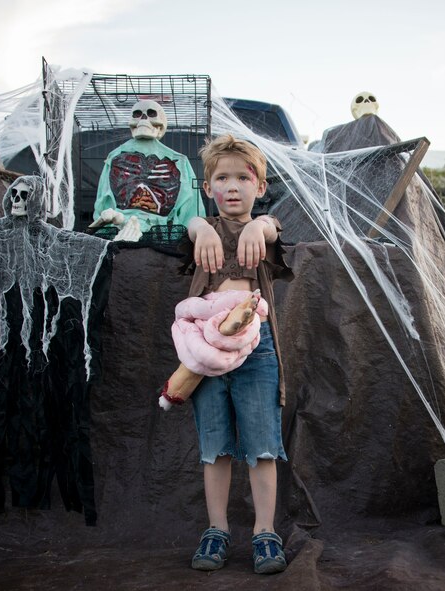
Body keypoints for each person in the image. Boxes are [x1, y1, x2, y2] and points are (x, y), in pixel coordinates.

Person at [180, 134, 292, 575]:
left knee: (263, 445)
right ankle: (217, 529)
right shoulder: (200, 230)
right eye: (220, 178)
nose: (231, 186)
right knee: (215, 446)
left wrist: (256, 226)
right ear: (208, 188)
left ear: (259, 187)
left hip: (256, 347)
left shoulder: (262, 230)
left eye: (242, 177)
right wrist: (201, 226)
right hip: (205, 348)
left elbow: (272, 227)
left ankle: (265, 531)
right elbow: (188, 227)